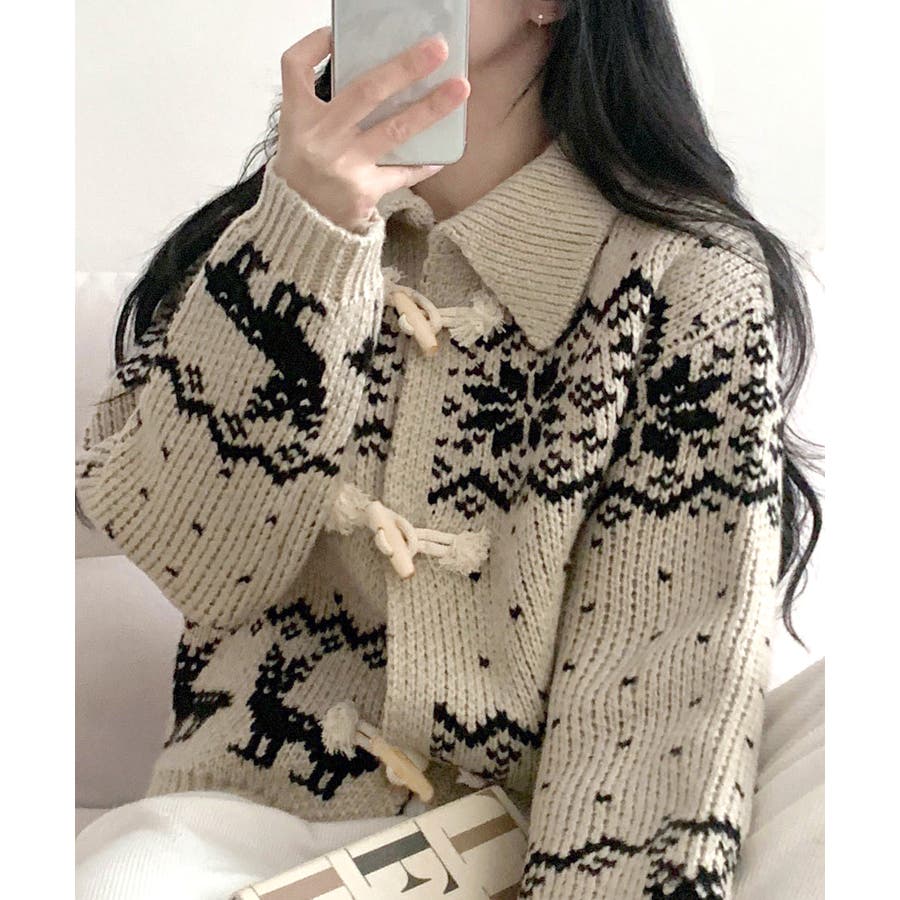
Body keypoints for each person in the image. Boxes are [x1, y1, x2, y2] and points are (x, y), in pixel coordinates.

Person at [74, 2, 823, 898]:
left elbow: (659, 674)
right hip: (234, 821)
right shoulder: (258, 239)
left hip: (518, 844)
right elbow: (195, 562)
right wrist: (306, 234)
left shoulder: (687, 276)